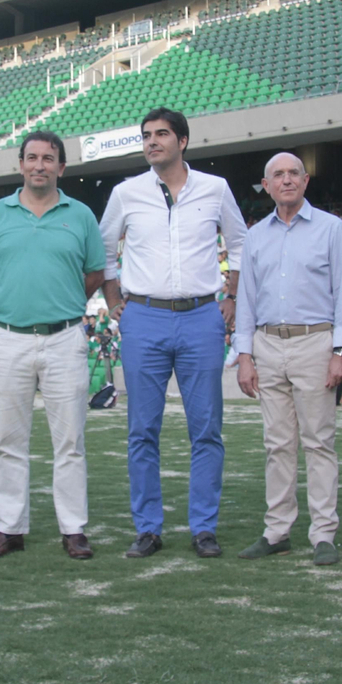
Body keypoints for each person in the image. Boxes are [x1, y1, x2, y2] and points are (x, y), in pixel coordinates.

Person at [99, 108, 247, 559]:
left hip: (202, 316)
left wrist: (232, 296)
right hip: (144, 317)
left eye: (161, 134)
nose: (152, 141)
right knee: (142, 430)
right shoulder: (126, 193)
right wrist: (114, 302)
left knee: (207, 429)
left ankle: (204, 527)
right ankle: (148, 528)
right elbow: (104, 251)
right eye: (146, 135)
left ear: (182, 141)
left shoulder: (215, 188)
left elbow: (240, 243)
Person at [0, 132, 105, 561]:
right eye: (32, 157)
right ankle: (10, 529)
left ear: (61, 167)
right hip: (10, 338)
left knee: (70, 442)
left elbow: (94, 273)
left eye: (48, 158)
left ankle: (73, 529)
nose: (39, 165)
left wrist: (62, 303)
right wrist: (14, 305)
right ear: (21, 164)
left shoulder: (80, 215)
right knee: (8, 441)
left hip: (65, 338)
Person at [232, 152, 342, 567]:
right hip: (268, 344)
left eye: (293, 174)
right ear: (266, 186)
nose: (286, 180)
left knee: (319, 441)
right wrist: (245, 355)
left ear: (305, 181)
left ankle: (323, 533)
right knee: (277, 444)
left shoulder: (331, 227)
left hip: (315, 342)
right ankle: (277, 531)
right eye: (278, 175)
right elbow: (246, 299)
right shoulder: (255, 236)